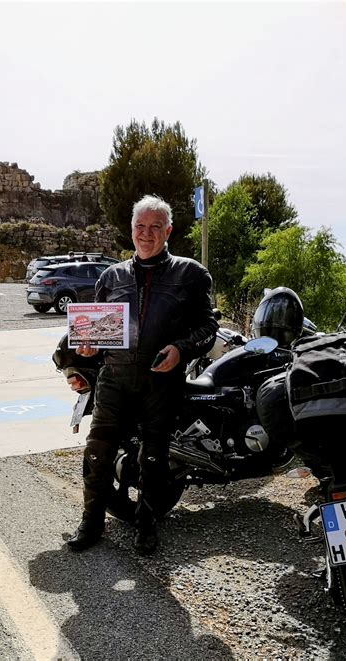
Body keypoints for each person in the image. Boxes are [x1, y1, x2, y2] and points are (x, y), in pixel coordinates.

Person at [67, 194, 218, 555]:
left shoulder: (191, 274)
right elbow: (96, 333)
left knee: (153, 457)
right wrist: (88, 348)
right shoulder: (111, 276)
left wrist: (182, 348)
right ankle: (91, 523)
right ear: (131, 230)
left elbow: (209, 327)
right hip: (115, 380)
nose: (146, 234)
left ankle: (147, 525)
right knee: (97, 452)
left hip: (161, 382)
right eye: (140, 226)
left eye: (154, 227)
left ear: (168, 231)